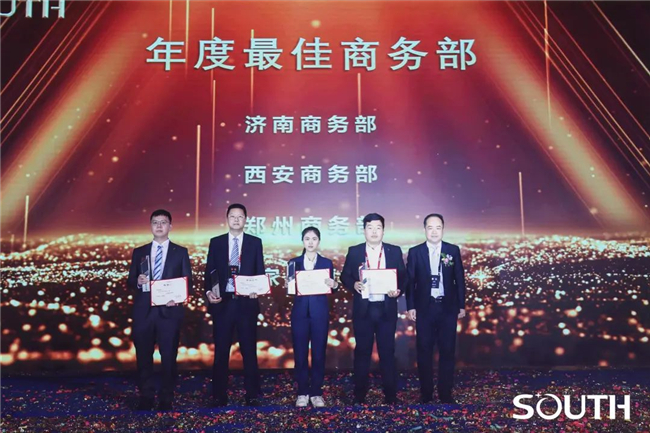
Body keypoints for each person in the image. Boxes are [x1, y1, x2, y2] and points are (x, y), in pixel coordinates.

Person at [127, 209, 193, 411]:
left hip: (169, 312)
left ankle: (166, 397)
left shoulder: (180, 252)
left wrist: (178, 298)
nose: (159, 225)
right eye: (155, 222)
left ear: (170, 226)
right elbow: (130, 281)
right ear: (150, 226)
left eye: (163, 222)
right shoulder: (139, 252)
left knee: (169, 358)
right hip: (144, 312)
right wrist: (137, 281)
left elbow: (187, 281)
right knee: (143, 357)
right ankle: (146, 396)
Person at [341, 213, 407, 404]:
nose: (374, 231)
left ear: (383, 230)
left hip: (386, 309)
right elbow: (345, 276)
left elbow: (403, 277)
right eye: (370, 227)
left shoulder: (394, 251)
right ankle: (359, 395)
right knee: (362, 352)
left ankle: (390, 395)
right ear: (364, 231)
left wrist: (398, 290)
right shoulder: (354, 251)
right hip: (364, 310)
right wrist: (354, 284)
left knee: (387, 352)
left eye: (378, 227)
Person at [204, 203, 264, 407]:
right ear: (227, 218)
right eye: (233, 216)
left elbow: (259, 271)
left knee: (249, 351)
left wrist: (257, 289)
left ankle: (252, 394)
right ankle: (218, 395)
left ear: (246, 219)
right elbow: (209, 272)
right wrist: (209, 292)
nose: (236, 220)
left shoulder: (255, 243)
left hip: (246, 304)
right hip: (223, 304)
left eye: (240, 217)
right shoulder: (217, 242)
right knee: (221, 352)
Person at [406, 213, 466, 404]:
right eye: (430, 228)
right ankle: (426, 393)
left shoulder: (452, 250)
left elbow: (459, 279)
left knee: (447, 351)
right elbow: (410, 282)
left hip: (447, 308)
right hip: (424, 308)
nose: (434, 231)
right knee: (424, 351)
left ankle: (445, 393)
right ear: (424, 229)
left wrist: (461, 304)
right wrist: (411, 306)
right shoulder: (415, 252)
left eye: (438, 227)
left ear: (443, 229)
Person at [287, 227, 339, 408]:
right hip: (300, 313)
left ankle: (316, 392)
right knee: (300, 354)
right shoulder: (293, 263)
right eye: (307, 238)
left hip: (319, 313)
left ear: (319, 241)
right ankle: (302, 392)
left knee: (318, 353)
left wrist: (334, 284)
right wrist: (289, 285)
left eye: (314, 239)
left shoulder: (326, 263)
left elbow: (332, 288)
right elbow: (289, 291)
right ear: (302, 241)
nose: (310, 242)